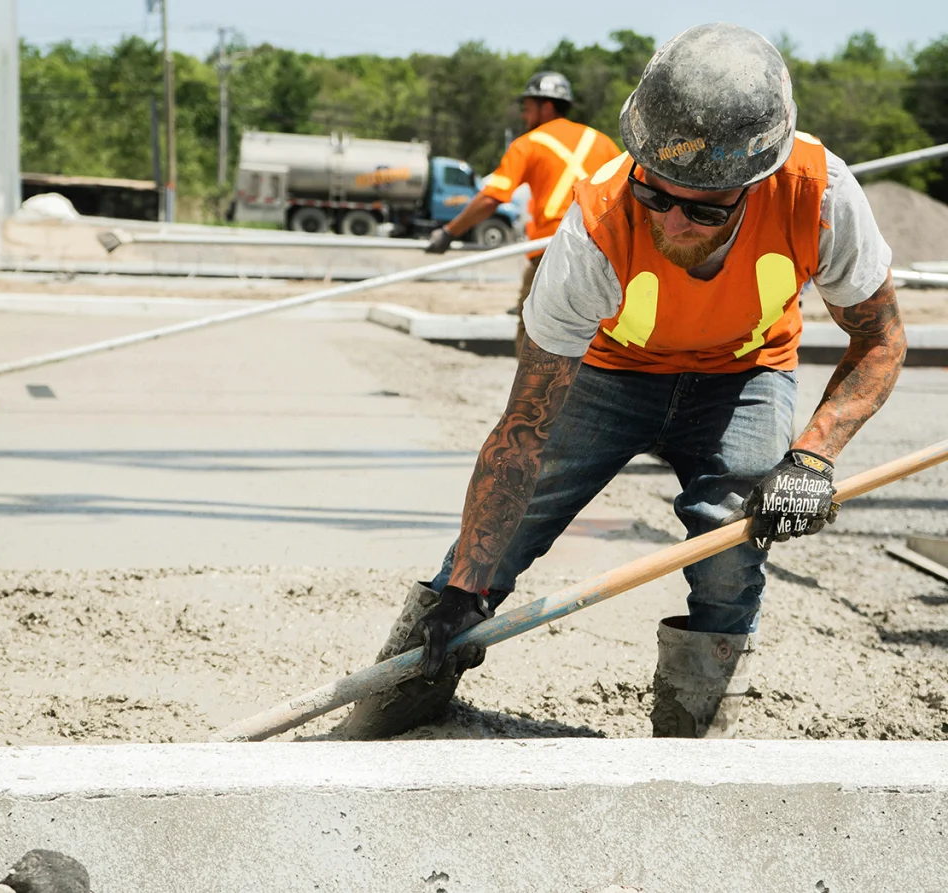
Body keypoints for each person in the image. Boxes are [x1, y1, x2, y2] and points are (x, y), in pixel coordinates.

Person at [341, 23, 907, 741]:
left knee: (731, 550)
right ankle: (397, 705)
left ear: (756, 182)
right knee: (495, 541)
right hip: (610, 374)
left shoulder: (820, 194)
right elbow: (521, 434)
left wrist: (814, 457)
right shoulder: (595, 226)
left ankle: (694, 739)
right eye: (656, 194)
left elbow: (881, 339)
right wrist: (463, 588)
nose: (674, 220)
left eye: (704, 208)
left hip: (745, 374)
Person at [424, 70, 621, 355]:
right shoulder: (602, 142)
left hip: (552, 251)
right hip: (606, 253)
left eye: (527, 109)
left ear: (547, 106)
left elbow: (491, 198)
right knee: (597, 337)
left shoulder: (528, 143)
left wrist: (448, 233)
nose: (523, 116)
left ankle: (537, 386)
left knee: (536, 336)